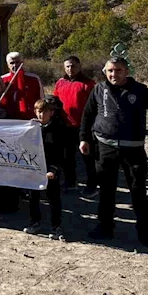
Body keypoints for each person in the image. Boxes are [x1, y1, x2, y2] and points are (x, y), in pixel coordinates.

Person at [80, 56, 148, 247]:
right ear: (105, 71)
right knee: (106, 191)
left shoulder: (140, 90)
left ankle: (144, 231)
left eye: (118, 70)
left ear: (127, 71)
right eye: (110, 70)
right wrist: (84, 138)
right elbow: (87, 115)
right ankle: (105, 227)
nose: (114, 74)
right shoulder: (99, 89)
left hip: (133, 149)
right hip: (105, 147)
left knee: (138, 190)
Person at [54, 56, 97, 195]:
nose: (70, 69)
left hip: (84, 127)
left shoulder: (88, 84)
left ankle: (92, 185)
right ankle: (70, 182)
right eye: (67, 66)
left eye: (73, 66)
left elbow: (96, 106)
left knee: (88, 158)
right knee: (67, 157)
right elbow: (55, 101)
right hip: (65, 125)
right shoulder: (60, 82)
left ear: (79, 66)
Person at [24, 99, 65, 240]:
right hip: (35, 168)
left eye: (45, 112)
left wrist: (53, 169)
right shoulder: (32, 127)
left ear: (51, 113)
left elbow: (60, 152)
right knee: (33, 197)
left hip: (51, 168)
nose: (41, 115)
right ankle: (34, 222)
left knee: (53, 198)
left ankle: (56, 227)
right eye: (38, 111)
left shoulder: (58, 128)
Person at [0, 52, 44, 120]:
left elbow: (41, 99)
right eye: (11, 63)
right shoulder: (2, 80)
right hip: (9, 118)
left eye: (17, 62)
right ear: (8, 65)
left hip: (30, 117)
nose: (15, 65)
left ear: (21, 63)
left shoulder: (33, 79)